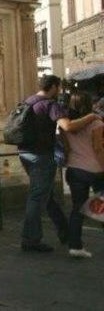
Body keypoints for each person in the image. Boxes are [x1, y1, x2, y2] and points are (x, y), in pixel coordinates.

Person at [18, 75, 98, 252]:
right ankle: (31, 239)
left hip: (24, 153)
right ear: (54, 87)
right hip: (41, 155)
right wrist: (92, 116)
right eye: (59, 87)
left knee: (46, 195)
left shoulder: (28, 101)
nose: (60, 91)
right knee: (37, 197)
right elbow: (67, 126)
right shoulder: (49, 104)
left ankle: (64, 231)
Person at [61, 91, 104, 258]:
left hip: (75, 169)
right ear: (89, 104)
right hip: (95, 169)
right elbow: (98, 149)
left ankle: (75, 246)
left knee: (77, 208)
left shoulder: (66, 124)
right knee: (101, 204)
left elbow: (66, 148)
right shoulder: (96, 123)